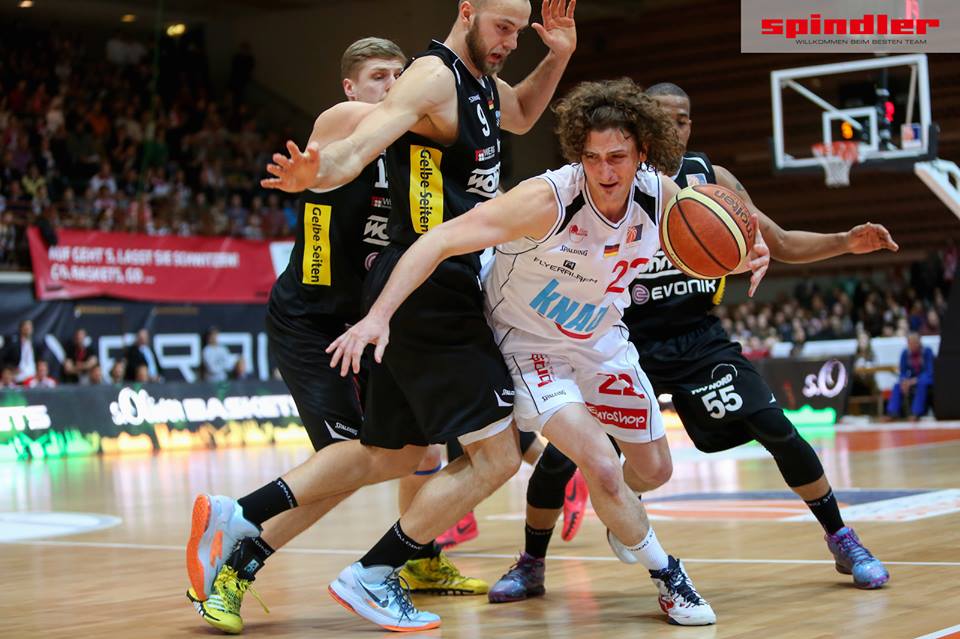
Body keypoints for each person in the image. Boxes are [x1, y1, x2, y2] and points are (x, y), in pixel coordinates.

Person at [190, 1, 578, 632]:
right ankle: (277, 560)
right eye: (502, 27)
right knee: (408, 458)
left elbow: (524, 113)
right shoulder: (401, 97)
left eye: (516, 29)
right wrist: (317, 174)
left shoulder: (471, 91)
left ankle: (266, 526)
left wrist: (559, 55)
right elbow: (350, 151)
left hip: (389, 299)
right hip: (331, 314)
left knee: (399, 453)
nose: (393, 86)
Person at [330, 77, 769, 625]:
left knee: (655, 470)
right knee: (602, 466)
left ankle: (623, 516)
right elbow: (438, 239)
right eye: (592, 158)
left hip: (601, 340)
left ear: (643, 153)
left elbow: (725, 233)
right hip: (530, 345)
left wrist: (751, 248)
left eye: (617, 158)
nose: (605, 172)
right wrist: (378, 315)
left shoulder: (663, 195)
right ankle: (669, 577)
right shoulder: (545, 200)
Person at [484, 81, 896, 602]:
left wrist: (844, 242)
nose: (673, 128)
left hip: (696, 337)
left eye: (681, 119)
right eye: (662, 118)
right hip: (622, 335)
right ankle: (531, 563)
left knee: (774, 425)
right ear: (643, 130)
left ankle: (842, 538)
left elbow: (778, 243)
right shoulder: (607, 182)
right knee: (563, 457)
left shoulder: (709, 181)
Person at [886, 332, 934, 420]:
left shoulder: (927, 351)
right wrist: (904, 381)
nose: (912, 345)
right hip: (911, 379)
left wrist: (915, 380)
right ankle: (892, 412)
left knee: (922, 384)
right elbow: (902, 371)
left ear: (919, 342)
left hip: (925, 379)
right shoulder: (905, 353)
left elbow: (930, 371)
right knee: (897, 385)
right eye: (910, 343)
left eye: (914, 342)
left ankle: (916, 413)